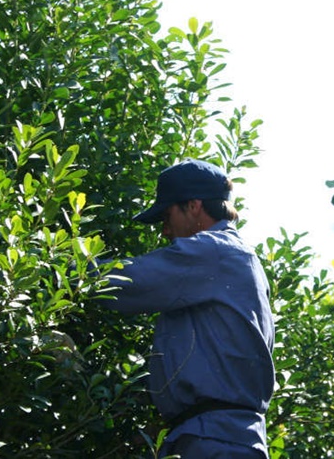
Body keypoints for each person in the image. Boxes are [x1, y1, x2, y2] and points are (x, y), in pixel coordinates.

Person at [102, 158, 275, 458]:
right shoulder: (238, 258)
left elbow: (131, 281)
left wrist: (59, 268)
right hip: (220, 437)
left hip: (215, 441)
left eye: (167, 216)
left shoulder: (213, 250)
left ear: (194, 206)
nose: (166, 231)